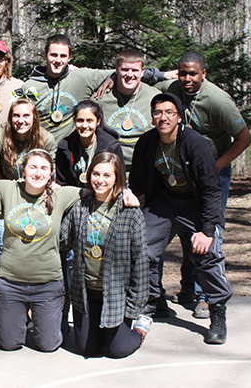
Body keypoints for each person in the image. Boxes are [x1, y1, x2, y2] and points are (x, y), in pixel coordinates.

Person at [130, 93, 232, 344]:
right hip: (164, 202)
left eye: (169, 112)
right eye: (157, 112)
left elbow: (211, 188)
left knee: (206, 254)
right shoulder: (147, 142)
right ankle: (154, 301)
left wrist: (208, 230)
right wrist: (136, 213)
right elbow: (139, 183)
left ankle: (217, 311)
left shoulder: (195, 143)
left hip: (194, 204)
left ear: (179, 117)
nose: (163, 117)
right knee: (142, 246)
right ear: (152, 116)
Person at [156, 51, 251, 317]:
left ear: (203, 74)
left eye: (193, 73)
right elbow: (140, 80)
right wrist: (107, 80)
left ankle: (205, 297)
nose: (187, 79)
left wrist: (215, 167)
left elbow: (244, 138)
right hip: (180, 170)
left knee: (209, 232)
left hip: (212, 172)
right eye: (183, 73)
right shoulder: (171, 88)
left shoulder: (218, 100)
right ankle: (188, 289)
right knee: (186, 233)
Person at [60, 152, 151, 358]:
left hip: (116, 295)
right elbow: (62, 241)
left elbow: (141, 262)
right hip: (85, 293)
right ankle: (100, 332)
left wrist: (135, 305)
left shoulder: (130, 212)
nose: (100, 180)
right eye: (96, 174)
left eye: (107, 176)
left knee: (117, 350)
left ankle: (140, 329)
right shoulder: (80, 207)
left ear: (117, 178)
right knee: (86, 348)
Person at [0, 149, 82, 352]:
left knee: (48, 345)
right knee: (9, 344)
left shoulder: (60, 194)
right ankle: (17, 318)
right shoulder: (8, 188)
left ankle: (56, 319)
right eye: (33, 167)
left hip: (47, 284)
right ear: (23, 170)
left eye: (44, 168)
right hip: (10, 284)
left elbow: (96, 190)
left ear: (51, 174)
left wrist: (126, 192)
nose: (38, 173)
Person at [21, 34, 170, 141]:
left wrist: (161, 75)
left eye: (63, 56)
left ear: (69, 58)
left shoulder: (82, 77)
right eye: (54, 55)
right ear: (45, 55)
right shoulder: (29, 87)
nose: (58, 60)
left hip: (70, 150)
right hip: (41, 151)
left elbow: (126, 70)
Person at [0, 98, 56, 265]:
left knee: (35, 238)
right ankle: (4, 281)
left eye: (26, 115)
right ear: (10, 118)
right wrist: (8, 198)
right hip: (7, 192)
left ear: (34, 118)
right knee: (5, 241)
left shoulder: (46, 139)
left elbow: (48, 173)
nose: (21, 120)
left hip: (36, 194)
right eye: (16, 115)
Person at [98, 49, 161, 172]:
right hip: (110, 170)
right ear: (116, 70)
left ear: (143, 72)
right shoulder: (101, 98)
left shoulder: (155, 97)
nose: (130, 74)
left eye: (135, 70)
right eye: (125, 69)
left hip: (145, 169)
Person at [56, 100, 126, 188]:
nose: (84, 125)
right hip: (75, 197)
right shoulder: (65, 147)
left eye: (89, 121)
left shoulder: (111, 146)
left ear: (98, 121)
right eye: (80, 121)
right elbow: (63, 182)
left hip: (104, 195)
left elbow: (120, 180)